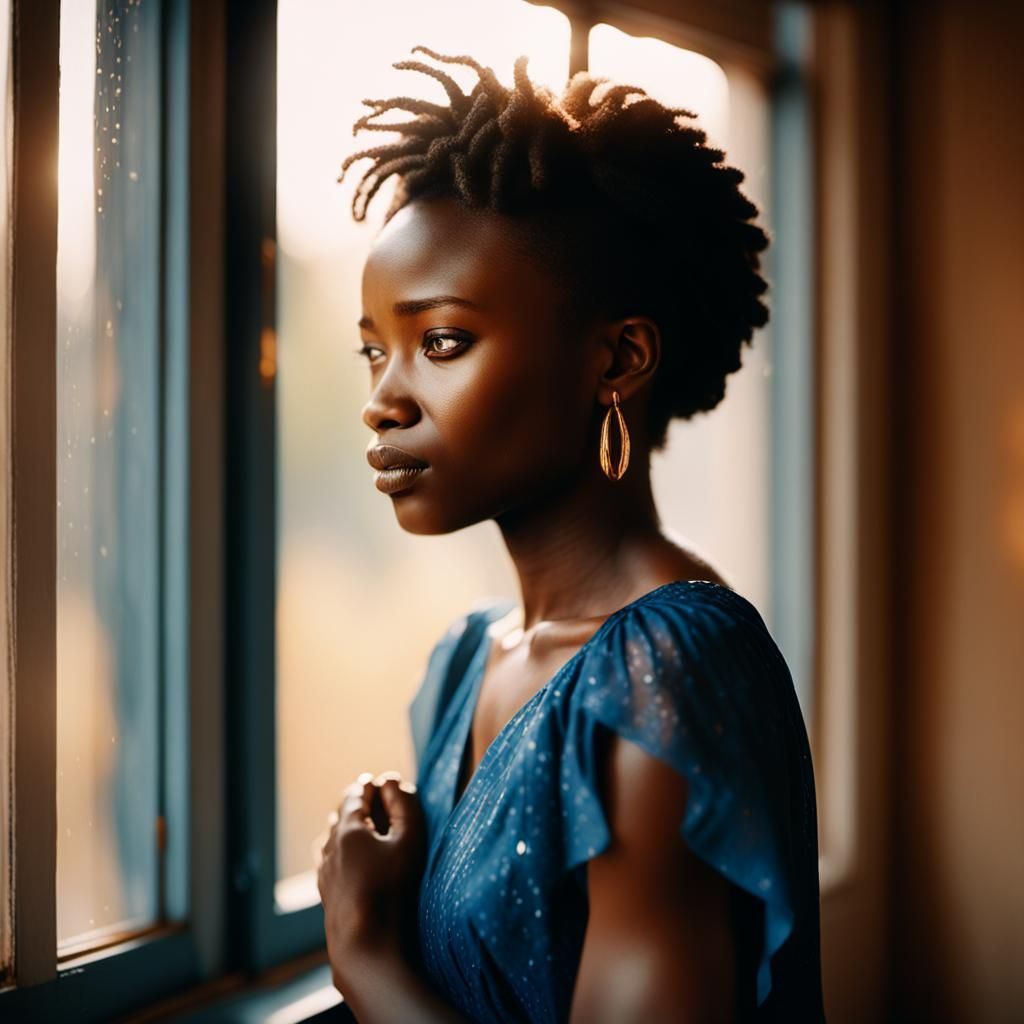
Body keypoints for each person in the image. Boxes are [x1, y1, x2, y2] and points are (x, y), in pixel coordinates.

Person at [314, 45, 825, 1023]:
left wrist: (365, 958)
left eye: (441, 341)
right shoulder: (466, 660)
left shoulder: (666, 677)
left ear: (619, 358)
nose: (383, 400)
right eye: (375, 350)